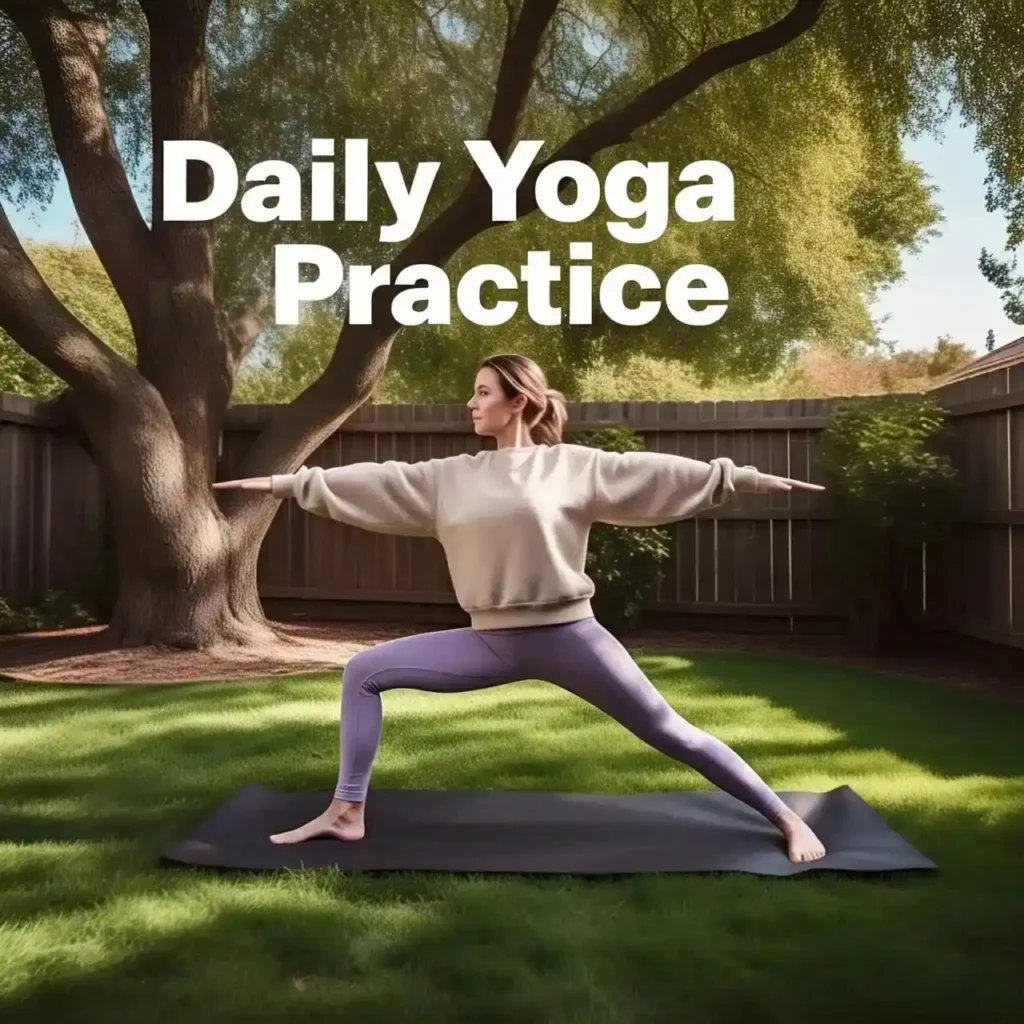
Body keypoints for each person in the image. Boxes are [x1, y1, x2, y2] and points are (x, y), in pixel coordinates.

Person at [213, 353, 827, 863]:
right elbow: (374, 481)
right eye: (472, 394)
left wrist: (738, 477)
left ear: (519, 401)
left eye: (483, 393)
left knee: (671, 731)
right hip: (488, 641)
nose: (472, 404)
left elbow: (654, 474)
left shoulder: (572, 467)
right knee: (362, 672)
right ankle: (346, 813)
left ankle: (784, 817)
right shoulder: (449, 477)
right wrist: (283, 484)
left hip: (571, 637)